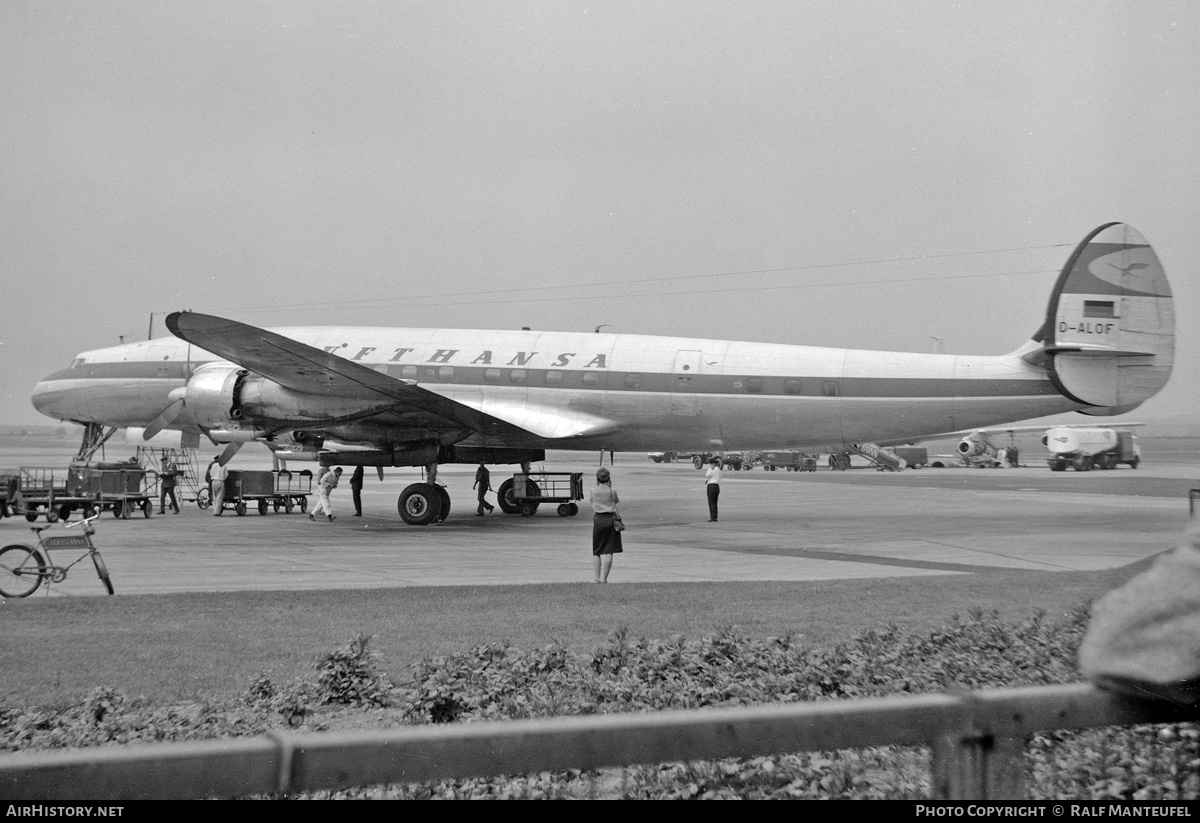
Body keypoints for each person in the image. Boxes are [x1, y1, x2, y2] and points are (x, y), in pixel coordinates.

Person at [588, 467, 622, 583]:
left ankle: (596, 577)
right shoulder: (612, 491)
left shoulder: (593, 491)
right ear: (608, 479)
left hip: (598, 519)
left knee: (596, 550)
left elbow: (591, 501)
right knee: (609, 551)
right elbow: (616, 501)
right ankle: (604, 578)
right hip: (610, 519)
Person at [705, 457, 722, 522]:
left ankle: (713, 517)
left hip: (711, 486)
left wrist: (710, 468)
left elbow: (707, 475)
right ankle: (715, 516)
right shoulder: (719, 470)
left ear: (712, 464)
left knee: (711, 502)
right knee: (715, 502)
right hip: (717, 486)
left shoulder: (713, 470)